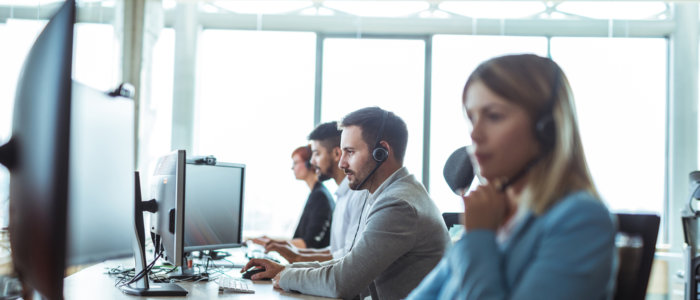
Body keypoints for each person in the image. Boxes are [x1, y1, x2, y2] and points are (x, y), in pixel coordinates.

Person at [407, 54, 616, 299]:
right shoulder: (494, 212)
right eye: (471, 118)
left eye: (494, 116)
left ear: (546, 129)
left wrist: (479, 237)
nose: (474, 134)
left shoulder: (581, 221)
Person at [244, 107, 450, 300]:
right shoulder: (392, 193)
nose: (342, 163)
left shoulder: (398, 205)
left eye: (350, 152)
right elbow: (349, 265)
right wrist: (284, 270)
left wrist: (285, 278)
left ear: (382, 152)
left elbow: (343, 282)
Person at [265, 121, 368, 262]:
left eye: (317, 154)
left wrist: (289, 269)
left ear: (337, 153)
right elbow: (335, 252)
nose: (312, 162)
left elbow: (348, 259)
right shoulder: (341, 195)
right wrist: (294, 257)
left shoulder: (357, 196)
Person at [251, 145, 335, 249]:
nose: (292, 167)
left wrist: (270, 243)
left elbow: (308, 243)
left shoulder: (320, 196)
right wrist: (271, 241)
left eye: (295, 163)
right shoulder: (316, 193)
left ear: (309, 164)